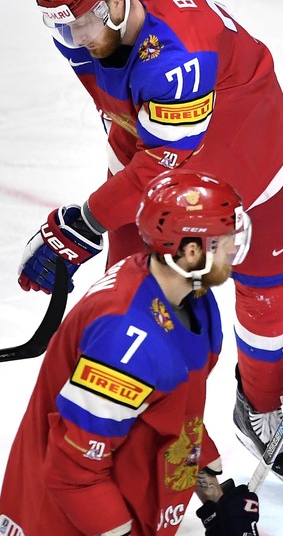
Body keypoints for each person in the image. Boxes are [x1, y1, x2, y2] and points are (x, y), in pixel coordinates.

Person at [25, 0, 283, 489]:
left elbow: (161, 162)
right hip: (149, 138)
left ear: (115, 2)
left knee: (269, 288)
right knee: (135, 293)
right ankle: (142, 411)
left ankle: (264, 404)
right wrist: (91, 222)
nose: (74, 35)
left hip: (248, 140)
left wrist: (82, 221)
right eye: (62, 21)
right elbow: (134, 127)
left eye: (81, 18)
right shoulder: (82, 29)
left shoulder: (180, 56)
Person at [0, 170, 259, 536]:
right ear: (190, 252)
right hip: (60, 522)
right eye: (225, 239)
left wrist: (216, 500)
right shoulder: (124, 342)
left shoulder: (191, 298)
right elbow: (74, 475)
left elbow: (174, 414)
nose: (234, 247)